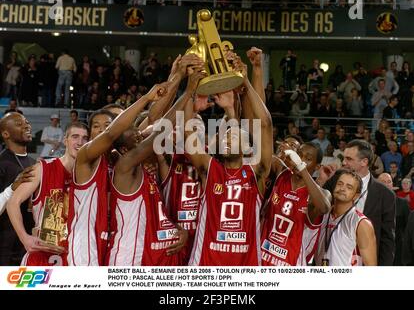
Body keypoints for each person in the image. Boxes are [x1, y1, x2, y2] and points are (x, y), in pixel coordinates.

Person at [106, 71, 203, 266]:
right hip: (129, 258)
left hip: (155, 254)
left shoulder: (148, 170)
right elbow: (159, 126)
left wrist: (175, 228)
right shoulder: (124, 167)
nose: (142, 138)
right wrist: (188, 90)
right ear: (125, 149)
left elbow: (155, 214)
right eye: (138, 138)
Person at [68, 81, 170, 266]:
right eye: (96, 126)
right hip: (85, 246)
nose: (102, 129)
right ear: (90, 132)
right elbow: (110, 134)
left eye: (108, 124)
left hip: (112, 241)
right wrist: (147, 97)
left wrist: (172, 80)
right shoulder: (86, 158)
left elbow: (154, 118)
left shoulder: (118, 159)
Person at [187, 57, 273, 266]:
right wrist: (190, 92)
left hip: (246, 265)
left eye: (233, 137)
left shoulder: (257, 172)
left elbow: (265, 124)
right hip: (205, 264)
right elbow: (187, 130)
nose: (227, 139)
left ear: (247, 148)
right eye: (225, 136)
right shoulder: (209, 169)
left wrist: (245, 82)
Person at [7, 122, 89, 266]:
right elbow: (13, 202)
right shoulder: (42, 169)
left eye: (85, 138)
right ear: (65, 140)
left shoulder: (91, 175)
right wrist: (24, 238)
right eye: (75, 137)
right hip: (42, 256)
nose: (80, 142)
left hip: (77, 256)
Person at [318, 139, 396, 266]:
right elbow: (315, 210)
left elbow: (387, 239)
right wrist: (321, 182)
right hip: (330, 258)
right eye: (344, 158)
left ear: (364, 162)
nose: (343, 162)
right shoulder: (334, 180)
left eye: (349, 159)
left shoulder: (385, 194)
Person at [261, 143, 331, 266]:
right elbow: (263, 157)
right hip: (262, 255)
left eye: (308, 159)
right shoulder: (282, 173)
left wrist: (301, 167)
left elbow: (324, 208)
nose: (301, 160)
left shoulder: (321, 194)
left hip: (291, 263)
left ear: (318, 166)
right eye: (299, 155)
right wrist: (284, 156)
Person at [314, 170, 377, 266]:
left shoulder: (361, 223)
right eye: (340, 184)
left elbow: (371, 265)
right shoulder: (321, 214)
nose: (342, 188)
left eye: (349, 187)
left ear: (356, 196)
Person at [0, 112, 36, 265]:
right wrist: (13, 188)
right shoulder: (2, 163)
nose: (27, 125)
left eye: (27, 122)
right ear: (5, 133)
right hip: (5, 248)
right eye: (19, 123)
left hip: (29, 245)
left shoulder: (34, 162)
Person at [378, 173, 410, 266]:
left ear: (392, 184)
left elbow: (407, 228)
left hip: (398, 248)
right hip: (377, 247)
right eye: (383, 182)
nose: (387, 184)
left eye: (389, 182)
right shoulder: (372, 203)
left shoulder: (403, 203)